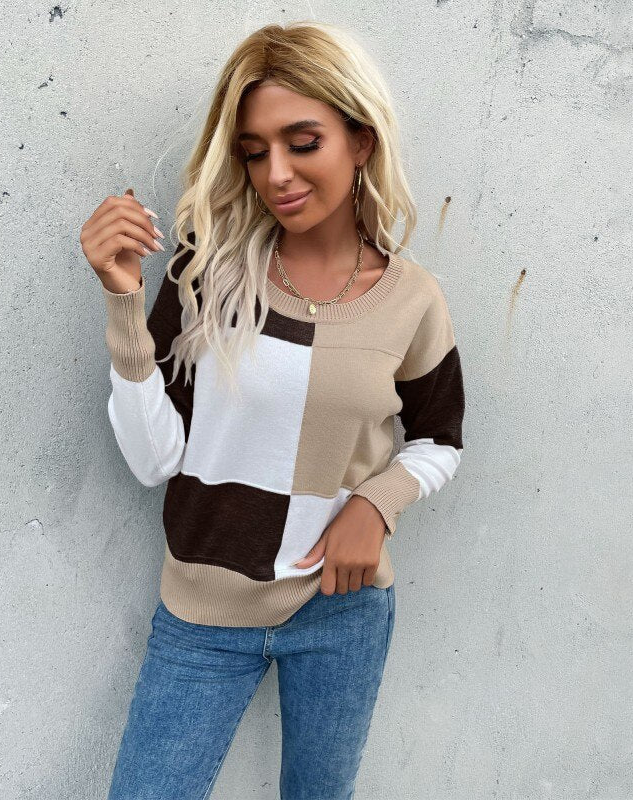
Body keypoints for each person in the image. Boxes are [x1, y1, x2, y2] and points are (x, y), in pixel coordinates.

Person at [79, 20, 465, 800]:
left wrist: (378, 503)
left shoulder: (412, 301)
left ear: (361, 141)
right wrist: (123, 303)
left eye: (303, 142)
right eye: (255, 152)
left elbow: (440, 438)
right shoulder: (205, 273)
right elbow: (155, 461)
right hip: (201, 614)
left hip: (341, 612)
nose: (276, 174)